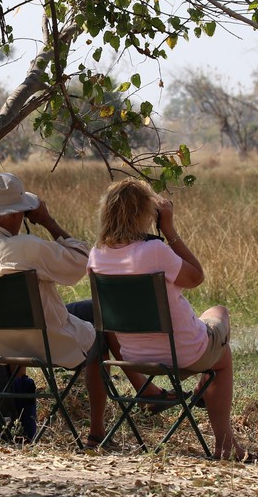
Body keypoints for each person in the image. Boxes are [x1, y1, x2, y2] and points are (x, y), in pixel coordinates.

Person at [88, 178, 249, 461]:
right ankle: (224, 443)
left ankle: (201, 390)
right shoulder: (155, 250)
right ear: (145, 213)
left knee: (210, 322)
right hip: (184, 352)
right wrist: (170, 229)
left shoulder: (97, 256)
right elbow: (196, 277)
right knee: (219, 320)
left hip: (133, 356)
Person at [0, 172, 110, 447]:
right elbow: (82, 262)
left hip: (1, 344)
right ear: (17, 214)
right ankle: (97, 433)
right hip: (49, 342)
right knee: (102, 332)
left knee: (81, 310)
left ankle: (22, 424)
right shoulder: (30, 247)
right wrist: (48, 222)